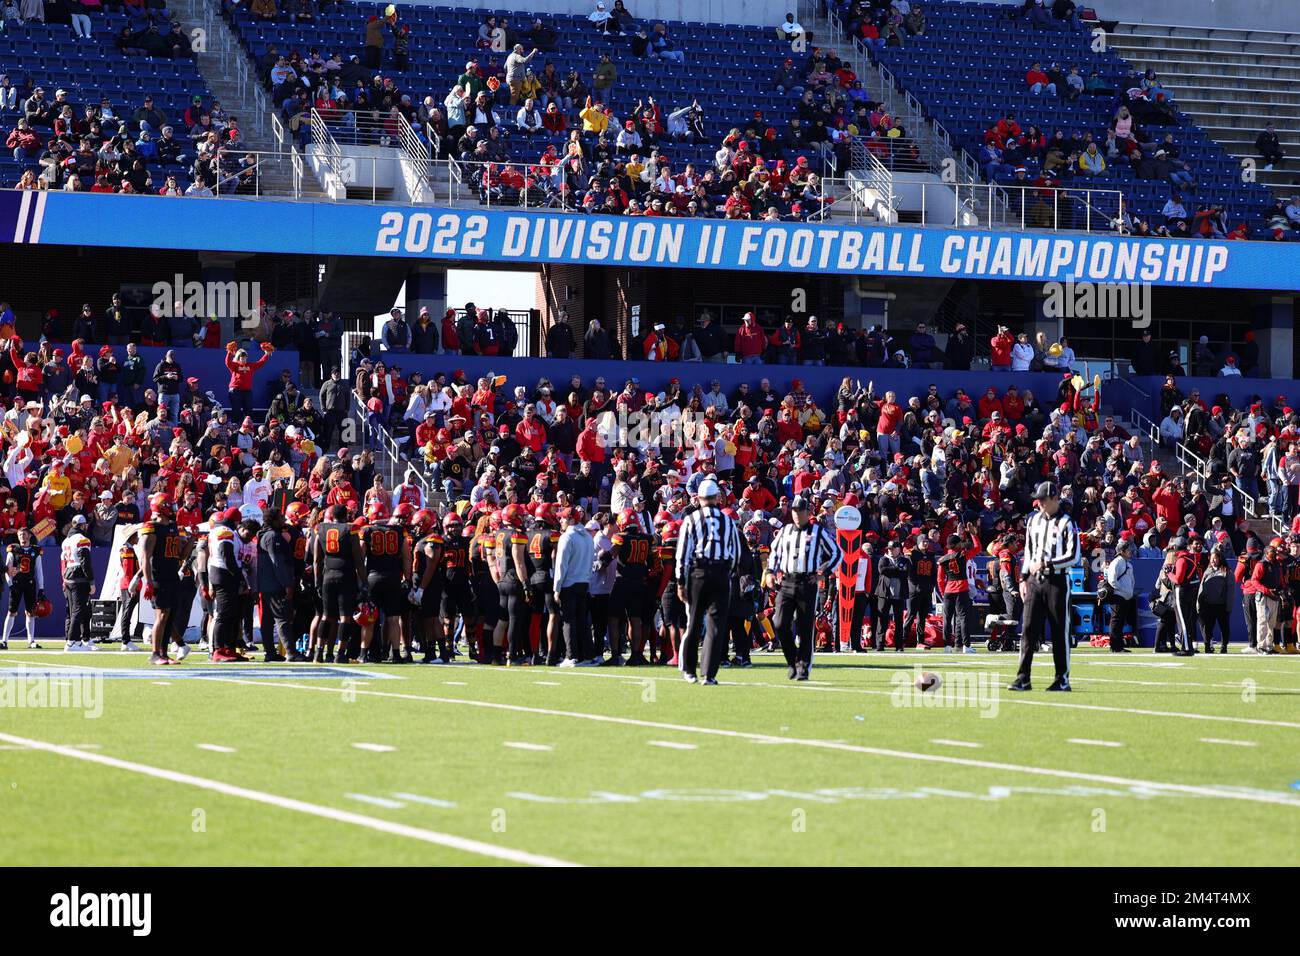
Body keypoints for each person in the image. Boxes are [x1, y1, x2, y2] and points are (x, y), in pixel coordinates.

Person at [1010, 481, 1078, 692]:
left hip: (1057, 581)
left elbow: (1074, 556)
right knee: (1028, 630)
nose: (1038, 503)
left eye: (1042, 500)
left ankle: (1062, 679)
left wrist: (1048, 563)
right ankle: (1023, 678)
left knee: (1059, 631)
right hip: (1034, 581)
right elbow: (1029, 551)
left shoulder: (1067, 522)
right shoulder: (1034, 521)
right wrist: (1022, 578)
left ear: (1053, 499)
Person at [765, 493, 840, 679]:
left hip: (808, 582)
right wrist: (770, 572)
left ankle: (804, 667)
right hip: (787, 581)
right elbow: (775, 552)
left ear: (808, 512)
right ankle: (792, 660)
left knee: (805, 626)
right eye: (795, 511)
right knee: (780, 623)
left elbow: (837, 553)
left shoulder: (818, 531)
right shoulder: (785, 531)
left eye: (801, 511)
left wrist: (824, 570)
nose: (797, 514)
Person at [674, 477, 739, 684]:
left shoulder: (691, 520)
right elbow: (735, 553)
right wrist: (726, 574)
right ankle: (709, 674)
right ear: (717, 498)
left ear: (699, 498)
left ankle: (690, 670)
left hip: (698, 573)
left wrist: (680, 582)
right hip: (720, 574)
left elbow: (682, 554)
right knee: (716, 626)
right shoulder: (727, 520)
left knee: (693, 622)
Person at [140, 493, 193, 665]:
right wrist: (147, 582)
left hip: (172, 576)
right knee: (161, 616)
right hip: (159, 577)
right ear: (162, 507)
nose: (173, 508)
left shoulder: (173, 527)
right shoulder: (151, 527)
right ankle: (155, 654)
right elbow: (145, 558)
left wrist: (193, 540)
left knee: (170, 617)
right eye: (169, 505)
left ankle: (163, 653)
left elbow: (181, 556)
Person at [1, 525, 44, 650]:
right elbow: (7, 569)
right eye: (20, 535)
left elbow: (39, 571)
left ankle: (31, 641)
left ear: (29, 536)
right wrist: (10, 585)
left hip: (30, 584)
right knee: (12, 612)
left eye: (24, 535)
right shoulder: (13, 549)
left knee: (30, 613)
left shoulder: (36, 550)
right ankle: (4, 641)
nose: (22, 537)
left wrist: (41, 588)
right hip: (17, 584)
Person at [60, 513, 95, 653]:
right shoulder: (82, 539)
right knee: (78, 610)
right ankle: (71, 641)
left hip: (68, 575)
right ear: (83, 525)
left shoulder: (66, 540)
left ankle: (76, 640)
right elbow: (85, 561)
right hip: (78, 576)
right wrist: (91, 580)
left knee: (74, 610)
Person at [1103, 536, 1135, 653]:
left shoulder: (1128, 563)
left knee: (1120, 622)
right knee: (1116, 621)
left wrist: (1129, 590)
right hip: (1118, 596)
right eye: (1128, 550)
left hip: (1125, 596)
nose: (1130, 552)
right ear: (1122, 551)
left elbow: (1131, 580)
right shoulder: (1116, 562)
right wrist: (1122, 590)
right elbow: (1112, 580)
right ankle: (1115, 646)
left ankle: (1119, 646)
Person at [1197, 546, 1231, 654]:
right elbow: (1201, 588)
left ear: (1220, 559)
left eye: (1215, 558)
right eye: (1211, 559)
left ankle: (1224, 646)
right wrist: (1199, 603)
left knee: (1224, 627)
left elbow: (1231, 591)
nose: (1212, 561)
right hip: (1208, 605)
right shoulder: (1207, 571)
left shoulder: (1227, 572)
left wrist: (1228, 606)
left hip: (1221, 605)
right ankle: (1208, 645)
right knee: (1207, 627)